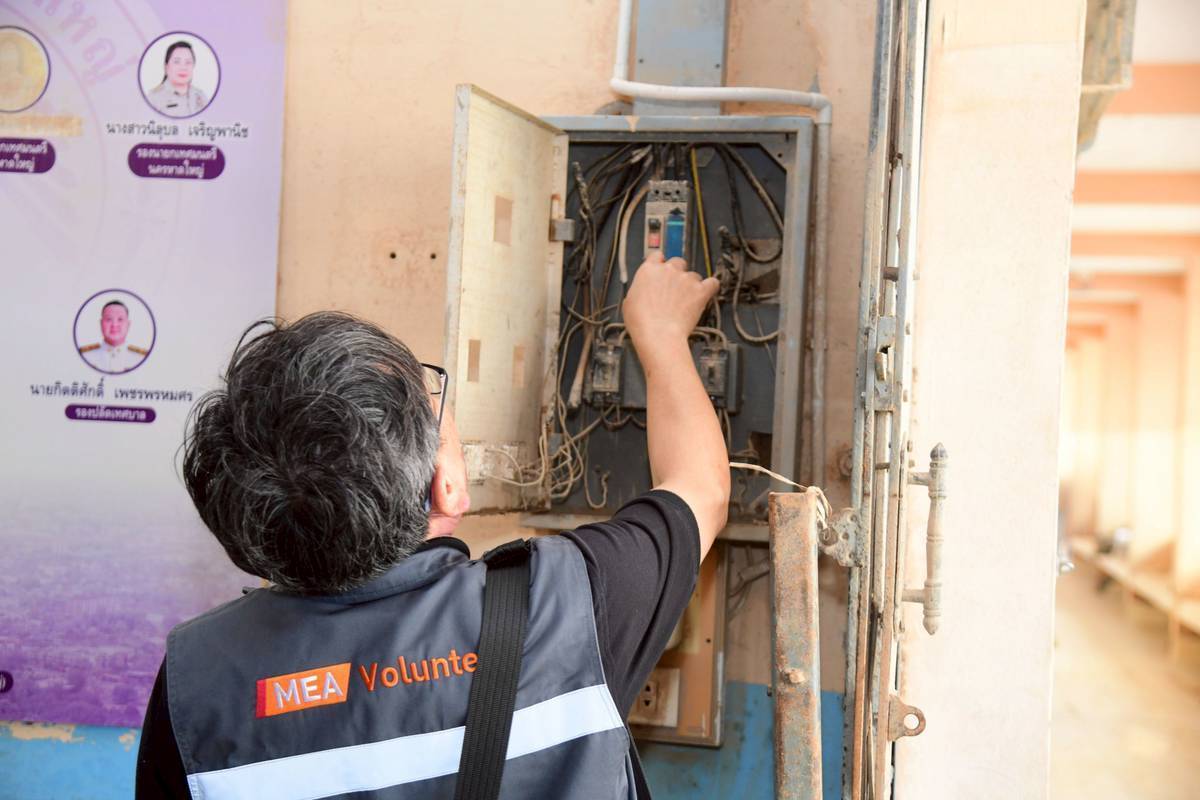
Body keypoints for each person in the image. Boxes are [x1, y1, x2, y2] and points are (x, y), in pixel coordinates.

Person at [135, 254, 728, 799]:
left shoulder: (196, 683)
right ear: (446, 486)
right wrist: (660, 331)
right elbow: (701, 488)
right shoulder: (565, 605)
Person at [78, 300, 149, 373]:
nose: (114, 325)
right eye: (109, 319)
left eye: (120, 319)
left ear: (128, 324)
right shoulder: (85, 355)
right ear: (101, 323)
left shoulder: (141, 358)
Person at [146, 40, 208, 117]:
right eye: (177, 62)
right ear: (166, 67)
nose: (183, 67)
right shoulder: (153, 98)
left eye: (188, 62)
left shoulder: (200, 95)